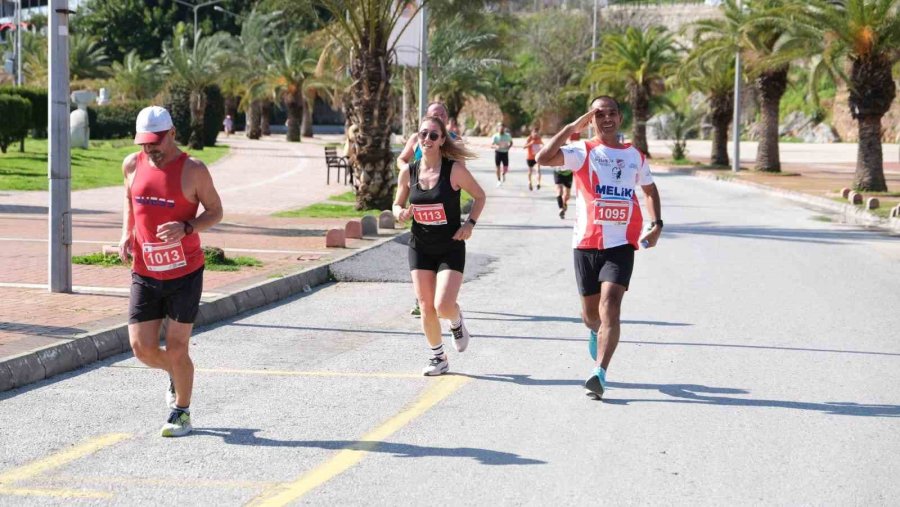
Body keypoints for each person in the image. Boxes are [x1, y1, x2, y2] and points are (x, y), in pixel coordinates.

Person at [536, 96, 663, 400]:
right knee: (591, 316)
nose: (606, 119)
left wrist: (657, 222)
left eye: (612, 114)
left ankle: (599, 373)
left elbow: (649, 189)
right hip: (586, 244)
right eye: (599, 114)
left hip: (621, 244)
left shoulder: (635, 156)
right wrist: (570, 127)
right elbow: (543, 158)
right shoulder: (583, 151)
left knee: (611, 307)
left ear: (620, 118)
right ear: (591, 120)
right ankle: (596, 332)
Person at [118, 106, 224, 436]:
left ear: (172, 134)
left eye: (156, 142)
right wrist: (126, 232)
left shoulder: (194, 170)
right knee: (141, 348)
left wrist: (188, 227)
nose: (150, 149)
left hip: (185, 271)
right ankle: (176, 373)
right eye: (144, 142)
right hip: (145, 270)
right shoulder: (132, 164)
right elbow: (129, 198)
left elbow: (216, 211)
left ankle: (182, 411)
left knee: (178, 347)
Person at [393, 116, 486, 376]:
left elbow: (480, 196)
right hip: (420, 246)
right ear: (417, 140)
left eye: (434, 135)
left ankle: (456, 321)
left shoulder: (453, 170)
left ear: (443, 139)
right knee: (425, 305)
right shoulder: (408, 172)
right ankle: (438, 357)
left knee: (443, 305)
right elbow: (397, 203)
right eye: (423, 134)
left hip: (450, 246)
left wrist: (470, 224)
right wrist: (399, 212)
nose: (428, 139)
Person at [397, 102, 463, 318]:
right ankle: (424, 301)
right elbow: (402, 159)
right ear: (427, 116)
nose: (441, 116)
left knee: (442, 241)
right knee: (423, 244)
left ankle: (446, 300)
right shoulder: (417, 139)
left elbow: (462, 170)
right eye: (436, 114)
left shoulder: (453, 140)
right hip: (419, 193)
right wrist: (408, 173)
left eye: (443, 114)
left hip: (442, 194)